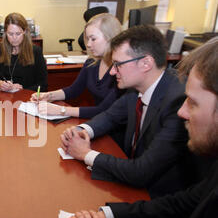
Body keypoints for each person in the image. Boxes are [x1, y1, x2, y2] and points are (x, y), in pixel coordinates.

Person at [62, 37, 218, 218]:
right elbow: (182, 203)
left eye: (193, 103)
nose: (182, 111)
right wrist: (105, 216)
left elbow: (142, 172)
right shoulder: (135, 92)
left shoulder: (171, 97)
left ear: (145, 63)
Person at [60, 25, 193, 198]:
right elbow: (109, 116)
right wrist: (81, 131)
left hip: (157, 198)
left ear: (146, 63)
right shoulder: (135, 88)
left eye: (118, 64)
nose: (113, 71)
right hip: (130, 183)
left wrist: (85, 154)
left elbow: (142, 171)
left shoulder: (177, 102)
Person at [31, 13, 122, 119]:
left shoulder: (120, 70)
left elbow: (102, 110)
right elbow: (74, 90)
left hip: (113, 127)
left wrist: (61, 110)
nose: (88, 44)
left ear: (110, 38)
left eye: (93, 39)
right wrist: (48, 95)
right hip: (97, 122)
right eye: (88, 39)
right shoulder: (92, 62)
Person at [0, 12, 48, 92]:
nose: (14, 38)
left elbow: (42, 84)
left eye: (18, 34)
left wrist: (22, 90)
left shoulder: (35, 51)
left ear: (24, 32)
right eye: (10, 34)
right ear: (5, 33)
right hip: (3, 96)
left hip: (27, 97)